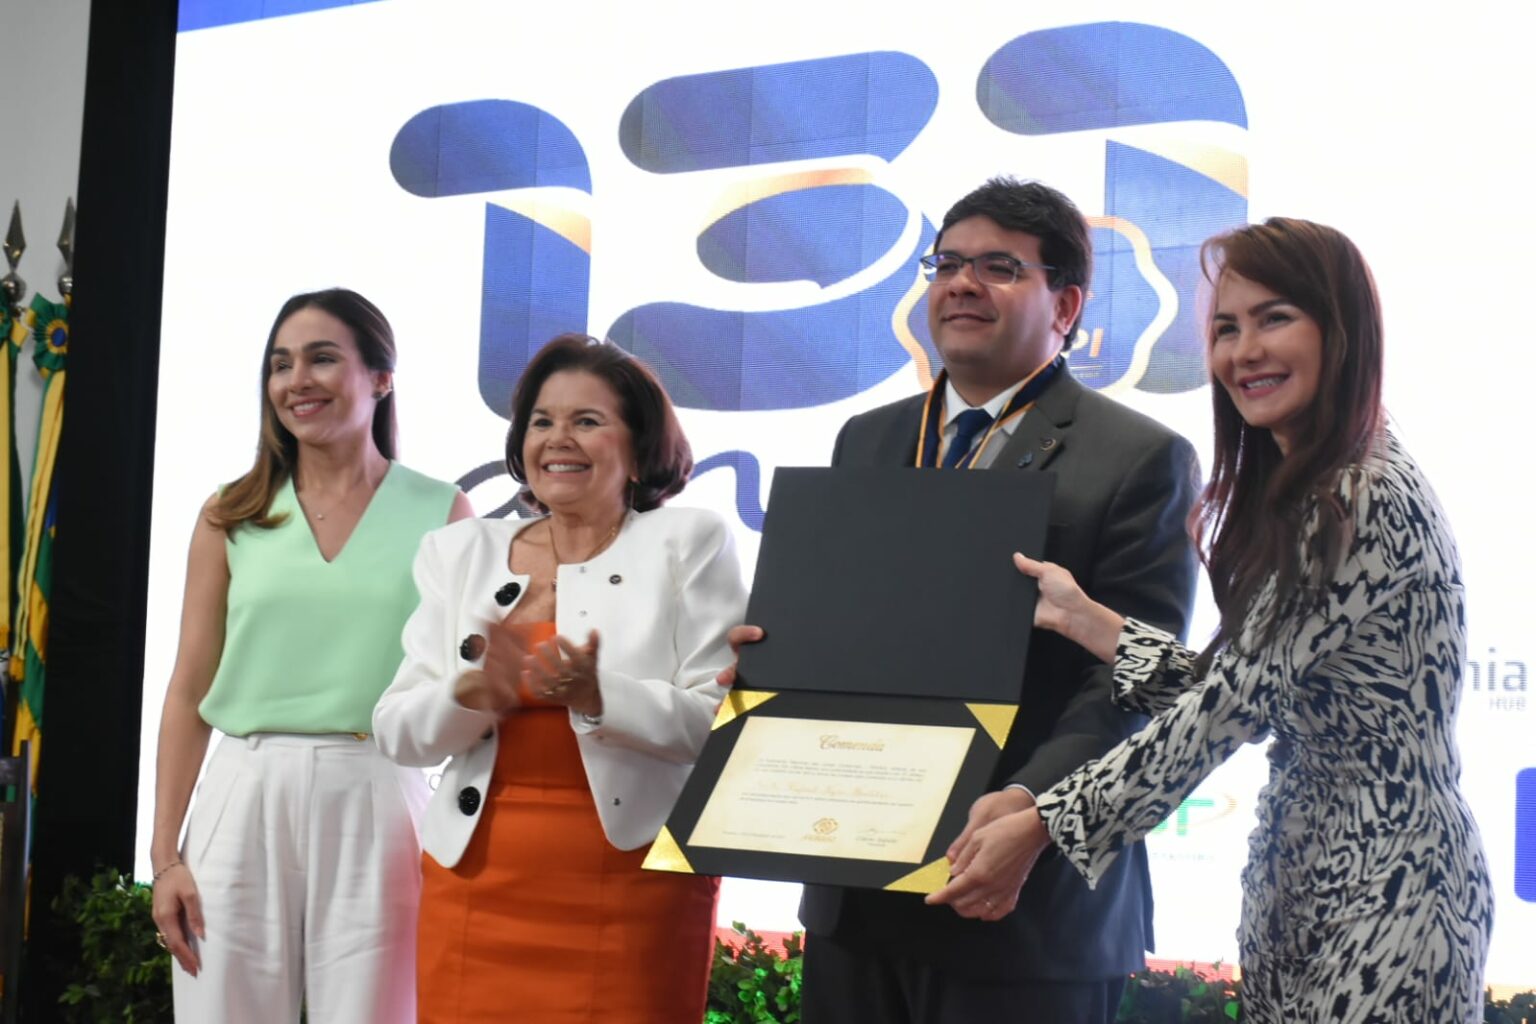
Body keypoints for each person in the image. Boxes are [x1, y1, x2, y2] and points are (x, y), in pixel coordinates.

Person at [931, 217, 1494, 1022]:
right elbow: (1251, 694)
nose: (1243, 352)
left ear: (1343, 331)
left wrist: (1046, 821)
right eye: (1226, 328)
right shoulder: (1317, 484)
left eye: (1275, 318)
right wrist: (1096, 624)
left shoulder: (1360, 494)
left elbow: (1224, 715)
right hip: (1306, 883)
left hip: (1392, 895)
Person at [789, 177, 1201, 1022]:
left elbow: (1129, 683)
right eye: (947, 263)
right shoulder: (866, 441)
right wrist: (773, 661)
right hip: (857, 896)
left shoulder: (1139, 458)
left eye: (1000, 267)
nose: (962, 284)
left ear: (1067, 305)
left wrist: (1029, 811)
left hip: (1025, 904)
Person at [372, 333, 747, 1024]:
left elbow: (721, 719)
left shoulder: (688, 543)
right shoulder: (459, 552)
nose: (557, 439)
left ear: (639, 446)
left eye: (586, 421)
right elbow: (396, 730)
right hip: (476, 884)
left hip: (634, 887)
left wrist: (601, 695)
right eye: (542, 421)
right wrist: (474, 694)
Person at [149, 287, 473, 1022]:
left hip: (380, 789)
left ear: (381, 377)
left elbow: (466, 684)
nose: (297, 380)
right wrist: (165, 853)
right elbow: (186, 690)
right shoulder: (230, 512)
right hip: (243, 788)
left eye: (323, 358)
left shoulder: (443, 512)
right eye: (280, 363)